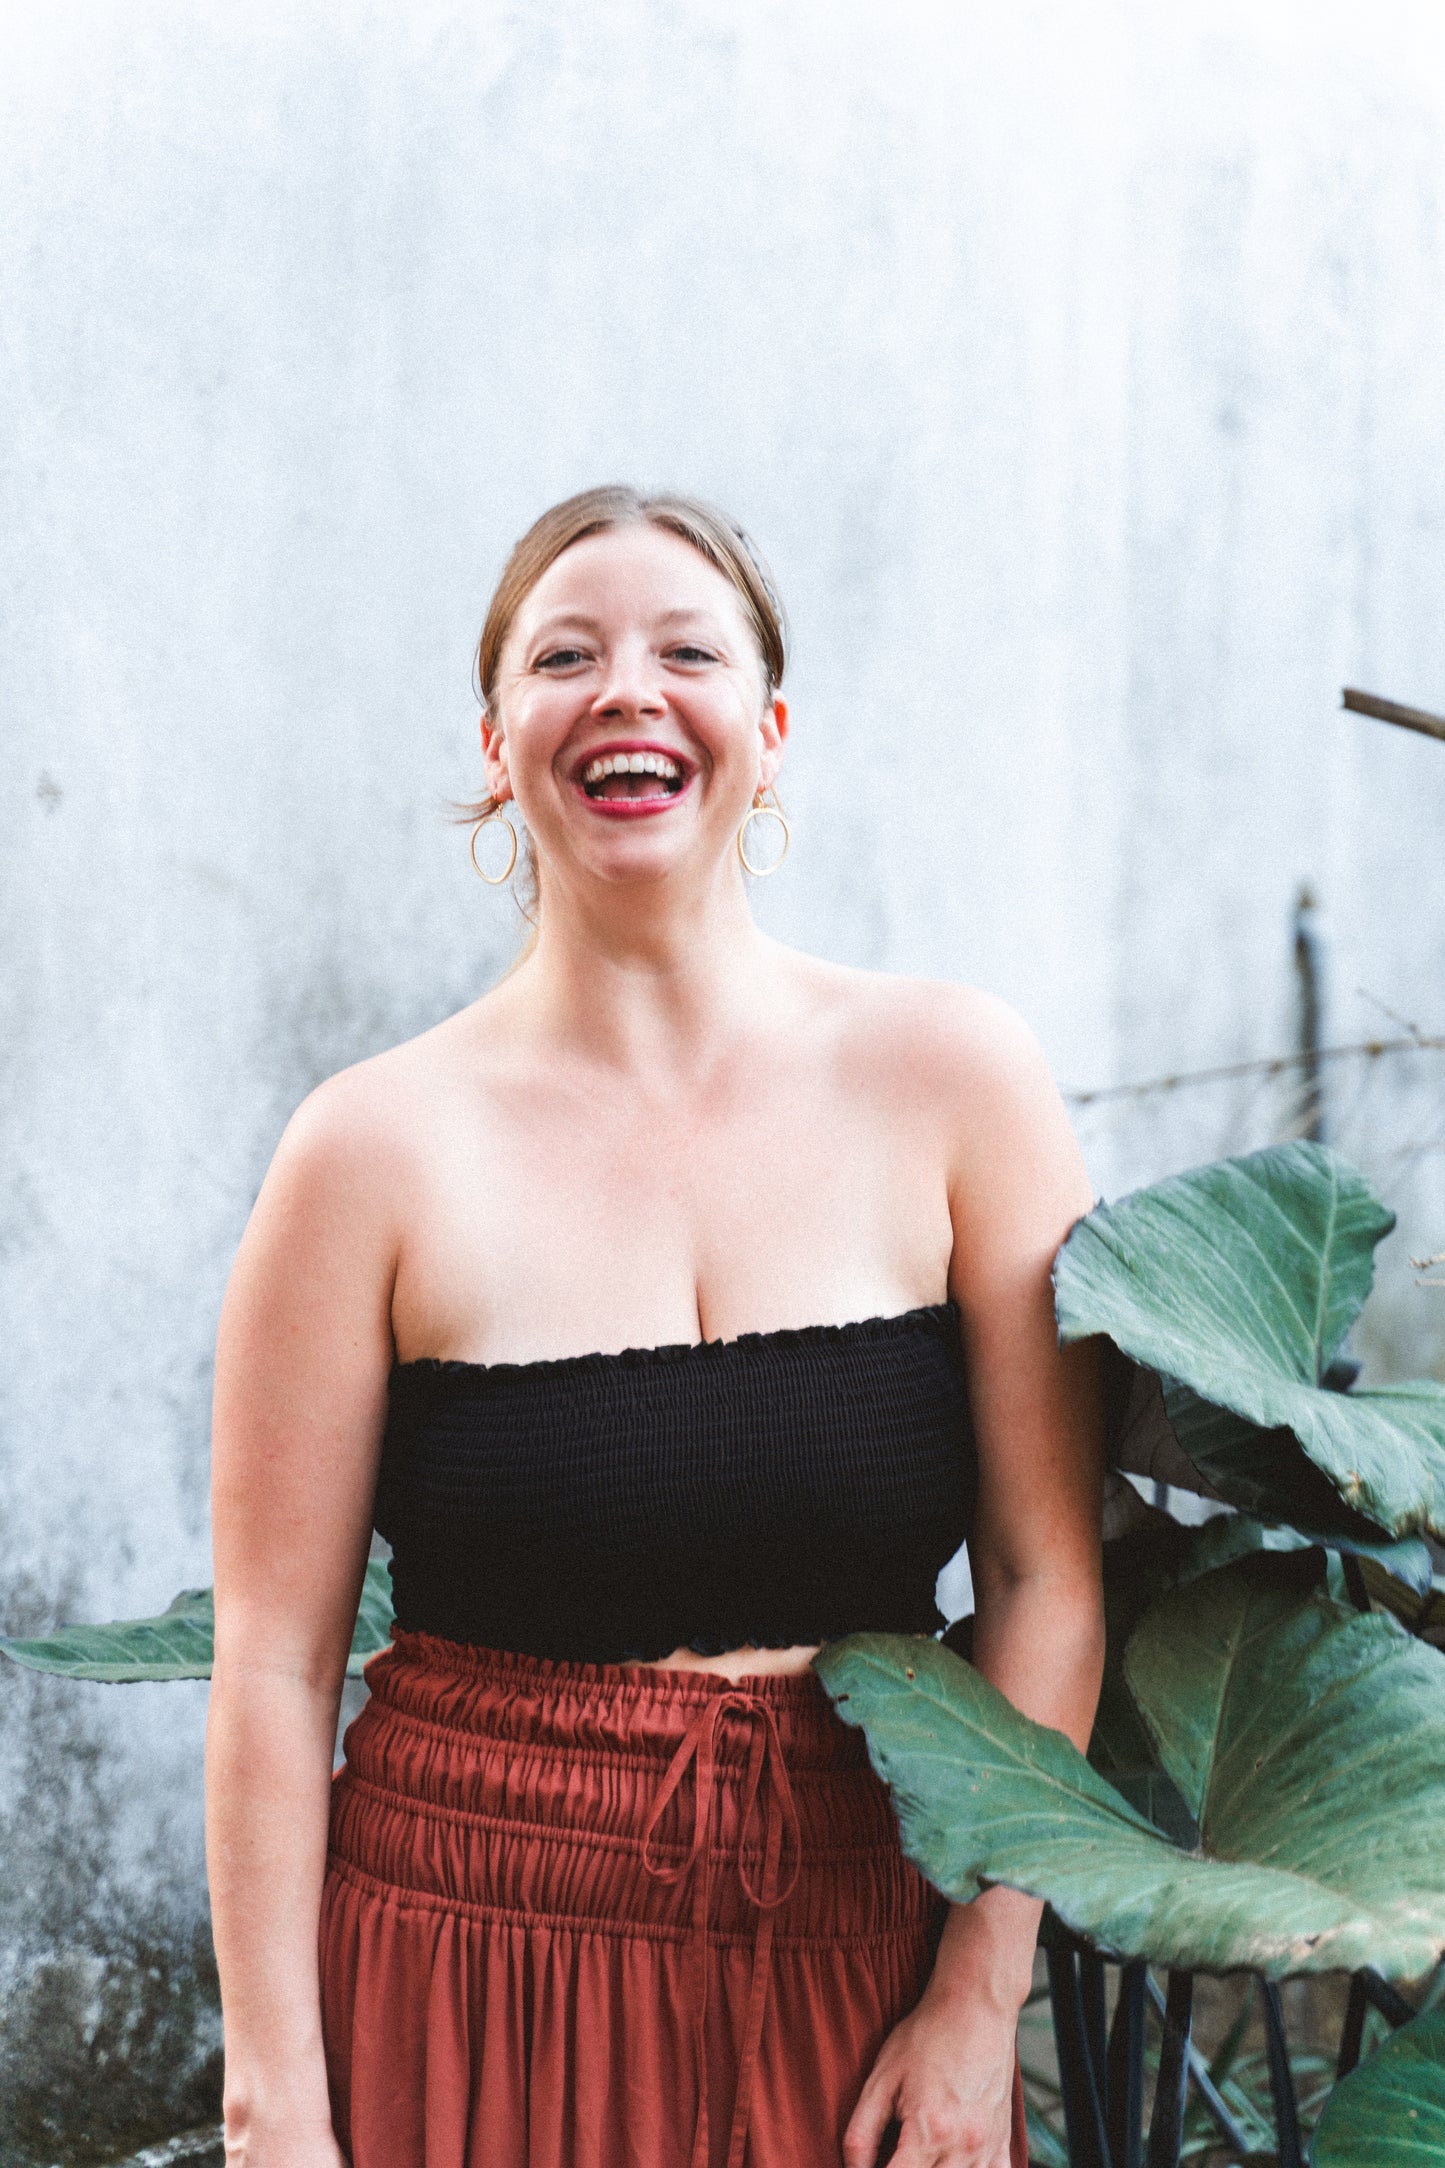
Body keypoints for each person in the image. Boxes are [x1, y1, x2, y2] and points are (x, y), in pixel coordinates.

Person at [205, 485, 1107, 2168]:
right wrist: (276, 2111)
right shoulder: (368, 1150)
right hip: (459, 1950)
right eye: (566, 656)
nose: (626, 689)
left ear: (767, 733)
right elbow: (267, 1664)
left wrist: (979, 2005)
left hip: (850, 1945)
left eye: (684, 650)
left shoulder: (956, 1083)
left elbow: (1049, 1582)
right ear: (496, 743)